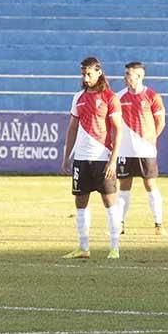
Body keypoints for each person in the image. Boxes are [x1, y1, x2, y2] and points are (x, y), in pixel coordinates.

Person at [60, 57, 124, 260]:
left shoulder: (110, 98)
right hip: (81, 159)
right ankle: (83, 247)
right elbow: (72, 128)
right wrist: (66, 156)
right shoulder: (78, 97)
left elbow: (118, 130)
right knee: (80, 202)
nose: (86, 78)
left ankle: (114, 247)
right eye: (83, 74)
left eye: (89, 74)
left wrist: (113, 159)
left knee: (110, 202)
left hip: (102, 158)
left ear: (99, 73)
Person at [116, 61, 167, 235]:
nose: (125, 78)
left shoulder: (152, 96)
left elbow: (161, 122)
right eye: (125, 74)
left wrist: (150, 140)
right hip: (124, 151)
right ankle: (119, 225)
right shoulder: (118, 97)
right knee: (124, 186)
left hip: (146, 150)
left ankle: (158, 224)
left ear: (139, 76)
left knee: (150, 185)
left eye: (128, 74)